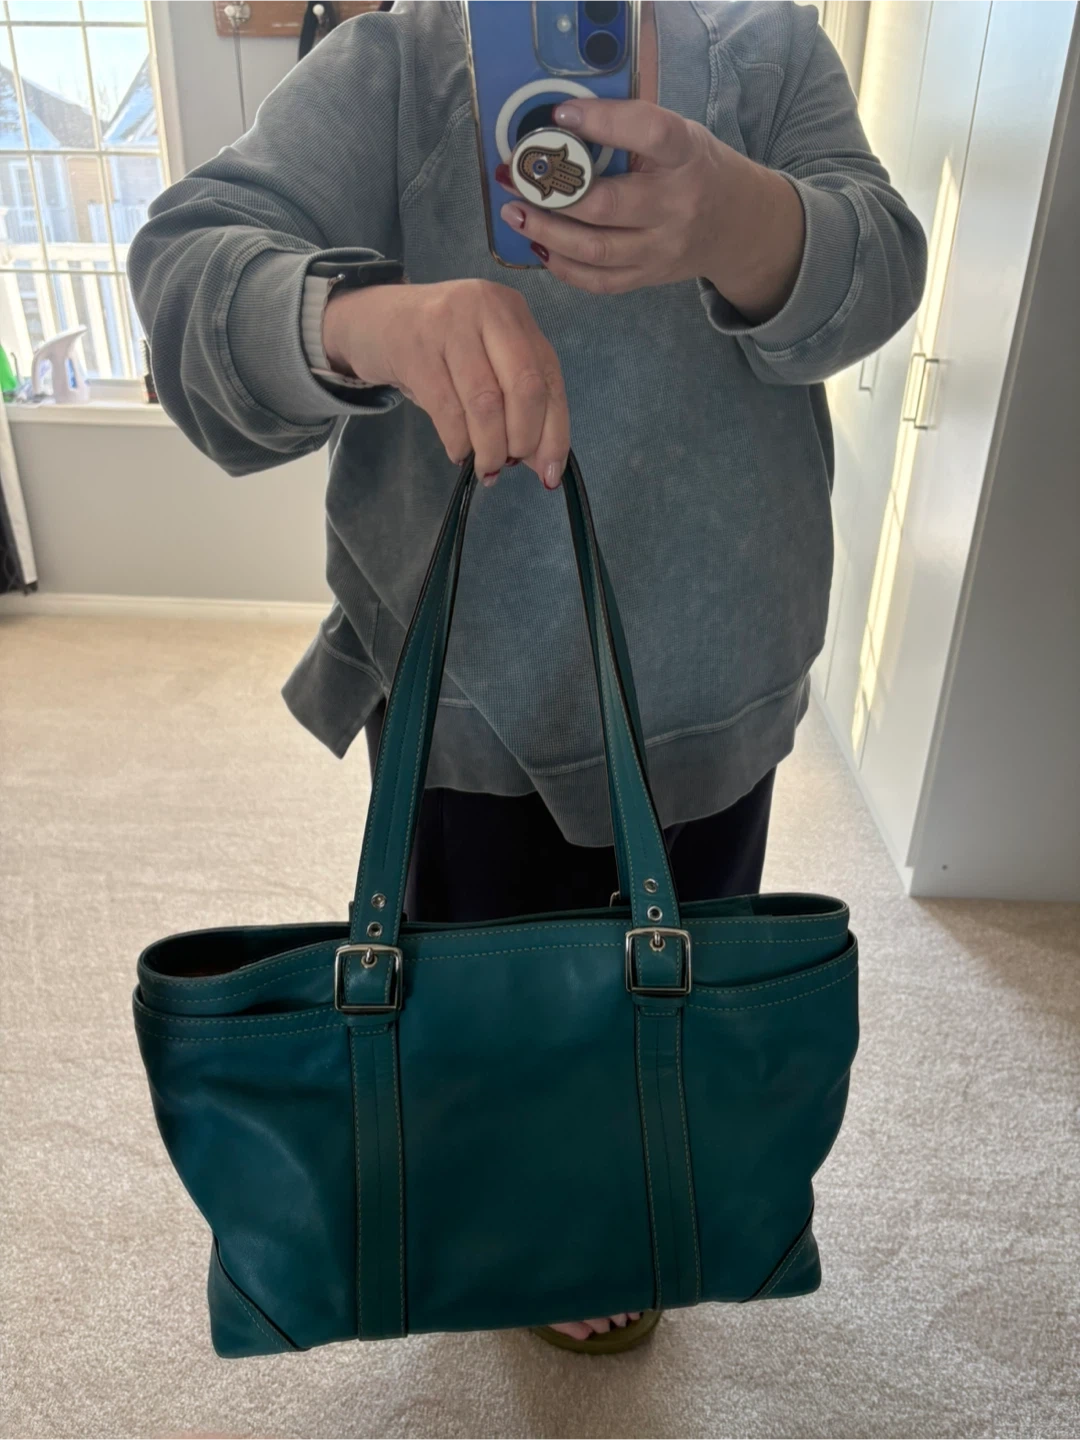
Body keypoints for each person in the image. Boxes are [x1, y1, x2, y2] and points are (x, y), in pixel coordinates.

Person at [130, 0, 925, 1353]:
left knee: (670, 989)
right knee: (466, 1009)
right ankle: (525, 1222)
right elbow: (186, 278)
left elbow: (884, 260)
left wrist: (737, 218)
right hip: (468, 697)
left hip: (714, 684)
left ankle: (616, 1211)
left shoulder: (770, 49)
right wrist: (365, 321)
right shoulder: (390, 69)